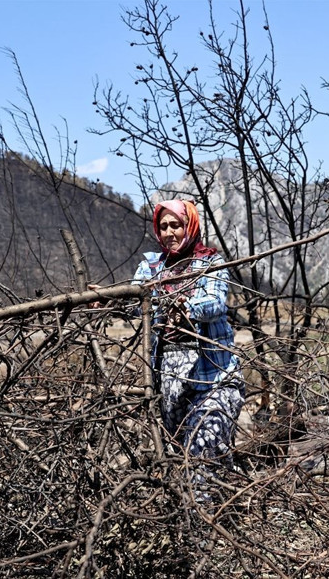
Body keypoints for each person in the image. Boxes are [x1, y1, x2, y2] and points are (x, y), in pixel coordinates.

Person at [132, 199, 245, 499]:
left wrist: (186, 306)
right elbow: (133, 303)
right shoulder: (151, 267)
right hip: (168, 378)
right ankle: (218, 514)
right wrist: (106, 301)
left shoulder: (210, 263)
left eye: (176, 225)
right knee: (184, 457)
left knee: (202, 446)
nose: (169, 232)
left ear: (190, 226)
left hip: (213, 374)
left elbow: (214, 304)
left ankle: (205, 530)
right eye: (163, 226)